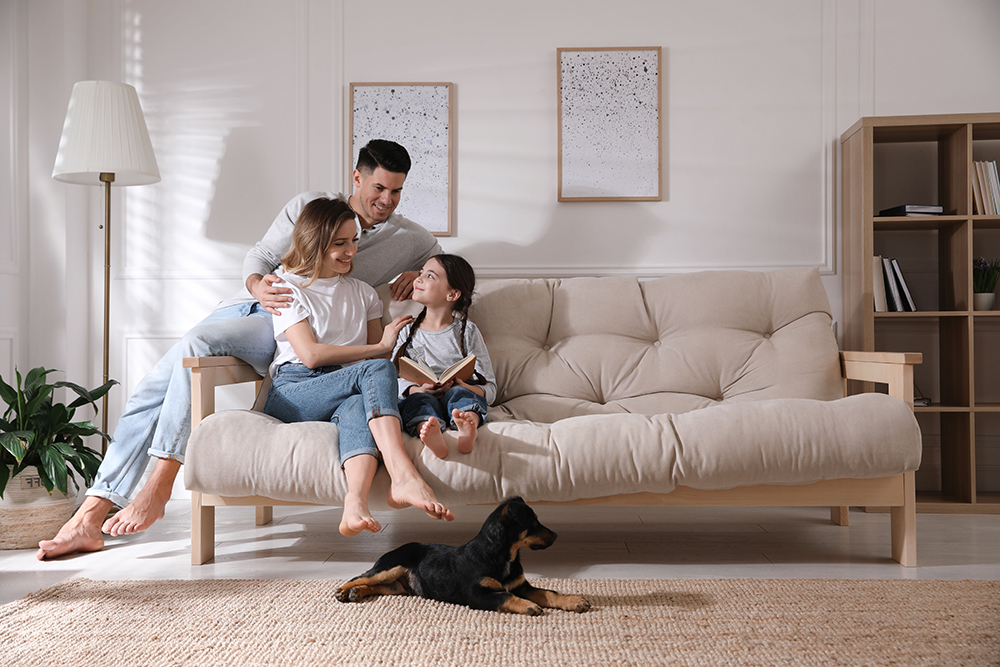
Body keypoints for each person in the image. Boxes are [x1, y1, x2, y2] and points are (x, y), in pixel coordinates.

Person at [38, 140, 444, 560]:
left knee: (186, 358)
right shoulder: (310, 205)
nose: (386, 200)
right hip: (260, 309)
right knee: (156, 386)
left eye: (396, 192)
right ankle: (114, 503)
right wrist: (258, 287)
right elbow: (262, 256)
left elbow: (444, 262)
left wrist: (419, 270)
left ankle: (108, 509)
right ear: (356, 177)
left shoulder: (406, 237)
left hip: (302, 329)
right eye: (379, 188)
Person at [261, 197, 451, 536]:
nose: (351, 251)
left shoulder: (364, 293)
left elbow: (377, 364)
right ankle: (403, 475)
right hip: (295, 390)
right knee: (375, 370)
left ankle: (354, 503)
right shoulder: (286, 287)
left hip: (345, 386)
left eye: (354, 241)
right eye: (340, 244)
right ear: (314, 241)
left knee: (356, 403)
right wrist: (381, 348)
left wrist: (419, 377)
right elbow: (311, 356)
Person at [392, 255, 496, 458]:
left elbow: (491, 388)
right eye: (421, 272)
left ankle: (468, 425)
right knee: (419, 402)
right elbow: (390, 382)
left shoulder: (468, 332)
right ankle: (429, 430)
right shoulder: (407, 331)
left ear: (453, 294)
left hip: (457, 394)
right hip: (421, 395)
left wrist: (462, 385)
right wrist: (416, 388)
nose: (418, 279)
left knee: (460, 396)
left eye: (429, 276)